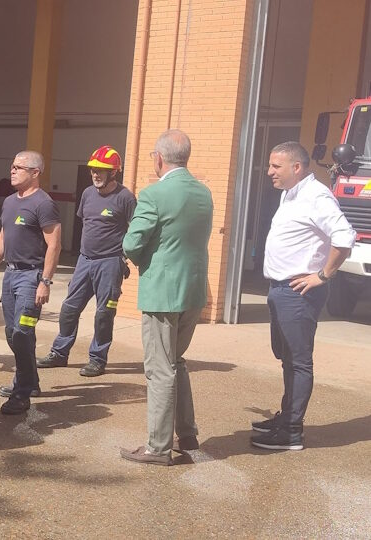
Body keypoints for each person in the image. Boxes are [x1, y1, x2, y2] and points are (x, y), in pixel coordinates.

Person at [251, 141, 355, 451]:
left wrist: (322, 275)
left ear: (297, 168)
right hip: (280, 289)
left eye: (275, 166)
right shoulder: (290, 195)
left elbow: (344, 237)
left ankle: (292, 432)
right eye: (270, 165)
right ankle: (286, 418)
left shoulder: (316, 196)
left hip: (298, 293)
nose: (269, 172)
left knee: (298, 362)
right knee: (287, 359)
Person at [119, 129, 213, 466]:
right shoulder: (204, 193)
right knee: (176, 362)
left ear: (159, 158)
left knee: (160, 369)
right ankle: (185, 434)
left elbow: (131, 244)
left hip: (162, 292)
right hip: (192, 290)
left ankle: (157, 447)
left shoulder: (154, 194)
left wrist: (142, 261)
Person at [36, 145, 136, 377]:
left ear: (114, 172)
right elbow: (87, 224)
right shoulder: (88, 194)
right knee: (69, 309)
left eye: (101, 170)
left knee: (104, 314)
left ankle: (97, 360)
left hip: (110, 263)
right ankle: (59, 354)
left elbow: (137, 230)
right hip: (84, 261)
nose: (95, 174)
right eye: (93, 170)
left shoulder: (125, 198)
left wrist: (125, 257)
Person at [0, 151, 61, 414]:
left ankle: (22, 393)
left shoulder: (44, 204)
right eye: (12, 166)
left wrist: (45, 281)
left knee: (22, 333)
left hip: (31, 277)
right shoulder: (9, 202)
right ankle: (31, 381)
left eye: (19, 167)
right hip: (11, 276)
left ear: (35, 173)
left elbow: (54, 245)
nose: (12, 171)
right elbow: (3, 237)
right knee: (11, 333)